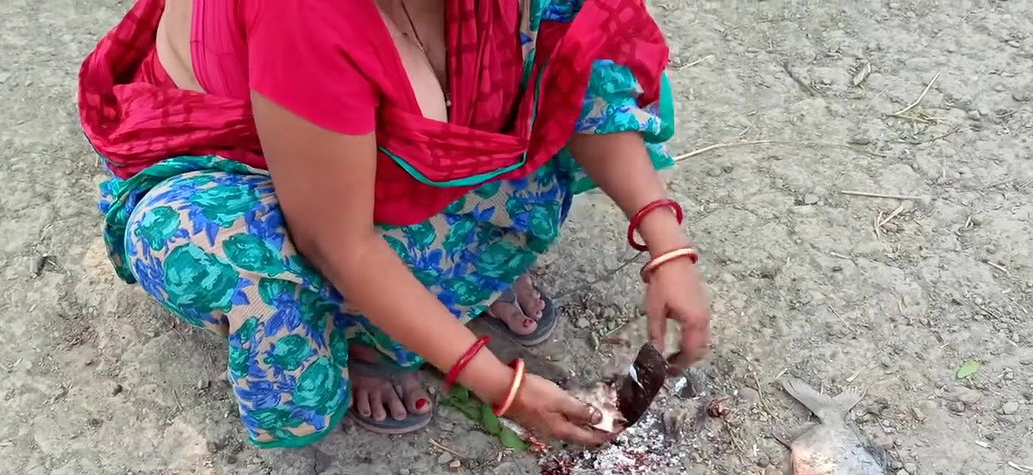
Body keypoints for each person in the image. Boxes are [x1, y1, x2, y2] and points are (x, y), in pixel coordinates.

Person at [77, 0, 711, 449]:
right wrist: (502, 387)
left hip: (378, 151)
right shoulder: (305, 13)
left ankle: (441, 286)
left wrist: (665, 243)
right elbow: (336, 239)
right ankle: (365, 336)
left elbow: (584, 72)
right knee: (198, 242)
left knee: (571, 62)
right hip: (265, 169)